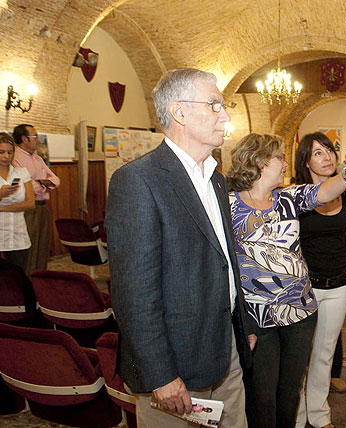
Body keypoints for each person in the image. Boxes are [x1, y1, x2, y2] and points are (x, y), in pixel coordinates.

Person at [105, 68, 255, 428]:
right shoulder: (138, 180)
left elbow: (223, 261)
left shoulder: (215, 179)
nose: (227, 115)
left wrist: (241, 323)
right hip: (176, 368)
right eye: (215, 105)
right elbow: (133, 293)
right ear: (180, 112)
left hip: (225, 350)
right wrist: (160, 374)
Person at [226, 133, 346, 428]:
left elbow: (323, 192)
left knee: (288, 392)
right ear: (258, 162)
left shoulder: (288, 198)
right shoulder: (228, 205)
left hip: (300, 313)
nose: (285, 164)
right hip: (257, 318)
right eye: (279, 158)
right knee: (262, 394)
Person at [294, 132, 346, 428]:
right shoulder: (295, 195)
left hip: (338, 285)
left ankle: (318, 413)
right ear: (305, 161)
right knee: (300, 356)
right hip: (304, 288)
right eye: (317, 153)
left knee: (325, 354)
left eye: (328, 150)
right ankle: (297, 416)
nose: (326, 157)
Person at [12, 124, 60, 274]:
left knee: (42, 247)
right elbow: (23, 185)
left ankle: (40, 283)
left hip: (42, 207)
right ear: (24, 139)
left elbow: (56, 180)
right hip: (27, 209)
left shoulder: (38, 159)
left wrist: (39, 183)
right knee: (29, 249)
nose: (38, 140)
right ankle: (26, 285)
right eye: (34, 137)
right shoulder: (15, 158)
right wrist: (42, 183)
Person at [0, 132, 35, 273]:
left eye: (9, 152)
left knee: (19, 279)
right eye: (1, 152)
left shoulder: (21, 173)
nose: (6, 156)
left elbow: (30, 203)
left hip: (18, 235)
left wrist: (2, 208)